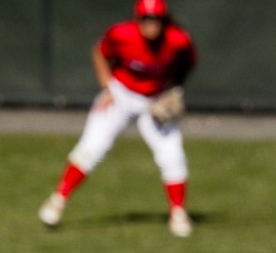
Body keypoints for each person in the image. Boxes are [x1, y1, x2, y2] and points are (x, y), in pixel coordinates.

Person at [38, 0, 197, 238]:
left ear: (165, 20)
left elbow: (188, 62)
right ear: (137, 18)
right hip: (121, 93)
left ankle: (178, 212)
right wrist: (107, 87)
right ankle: (58, 200)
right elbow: (99, 53)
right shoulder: (121, 33)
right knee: (92, 148)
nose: (151, 24)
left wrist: (174, 88)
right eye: (146, 18)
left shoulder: (178, 39)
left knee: (172, 155)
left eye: (156, 19)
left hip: (155, 100)